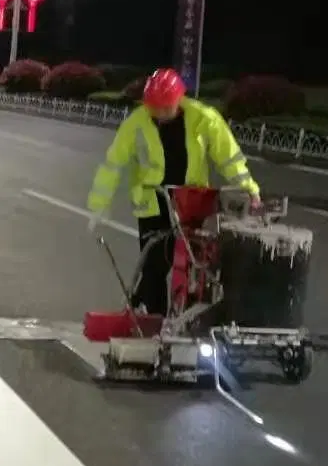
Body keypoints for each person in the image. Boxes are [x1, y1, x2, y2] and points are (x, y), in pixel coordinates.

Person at [87, 67, 259, 314]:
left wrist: (249, 188)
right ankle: (156, 320)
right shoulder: (135, 124)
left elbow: (229, 158)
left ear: (179, 99)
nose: (160, 113)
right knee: (155, 265)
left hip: (191, 203)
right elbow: (113, 164)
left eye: (165, 107)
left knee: (195, 266)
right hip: (153, 202)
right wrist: (99, 204)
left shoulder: (204, 119)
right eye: (154, 107)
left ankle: (184, 315)